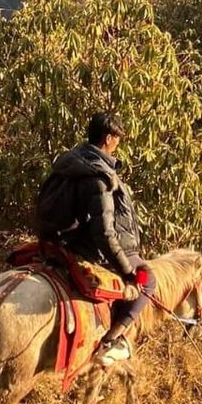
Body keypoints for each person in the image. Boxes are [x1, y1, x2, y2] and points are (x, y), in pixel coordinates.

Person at [40, 111, 151, 366]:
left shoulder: (71, 161)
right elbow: (104, 233)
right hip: (84, 248)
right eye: (117, 139)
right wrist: (127, 271)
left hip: (56, 241)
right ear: (109, 138)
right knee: (148, 279)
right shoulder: (99, 176)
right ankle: (112, 341)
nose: (117, 145)